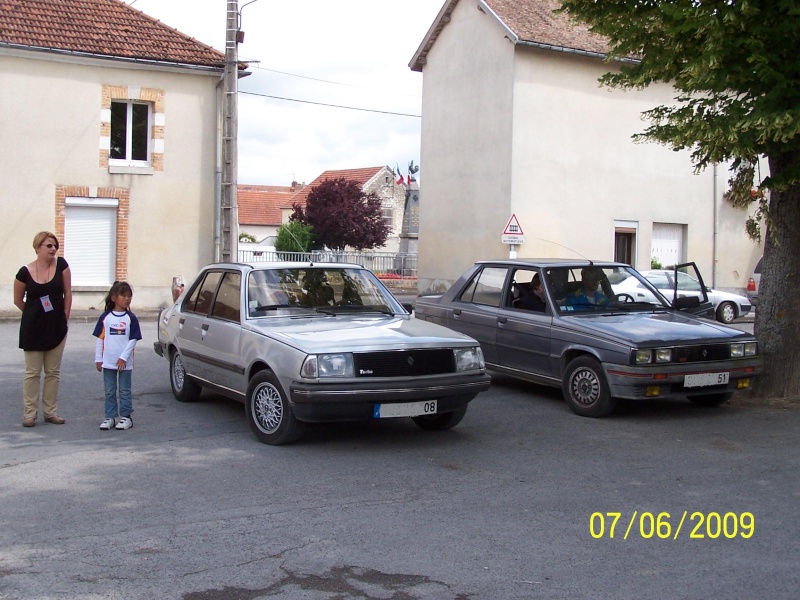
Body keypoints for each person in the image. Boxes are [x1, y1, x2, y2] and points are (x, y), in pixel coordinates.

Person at [14, 231, 72, 427]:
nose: (53, 249)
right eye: (49, 246)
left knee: (53, 372)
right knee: (32, 373)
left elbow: (67, 292)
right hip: (33, 329)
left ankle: (50, 412)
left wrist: (64, 317)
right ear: (38, 247)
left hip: (57, 327)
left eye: (55, 245)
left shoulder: (62, 265)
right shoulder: (25, 272)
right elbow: (17, 299)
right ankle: (30, 414)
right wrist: (32, 314)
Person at [93, 281, 143, 430]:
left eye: (129, 296)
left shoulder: (131, 318)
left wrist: (123, 357)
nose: (127, 299)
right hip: (108, 362)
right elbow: (100, 339)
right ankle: (109, 417)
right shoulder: (106, 317)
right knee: (109, 390)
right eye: (123, 295)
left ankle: (126, 417)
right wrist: (98, 358)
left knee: (124, 390)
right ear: (114, 298)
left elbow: (133, 339)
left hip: (124, 364)